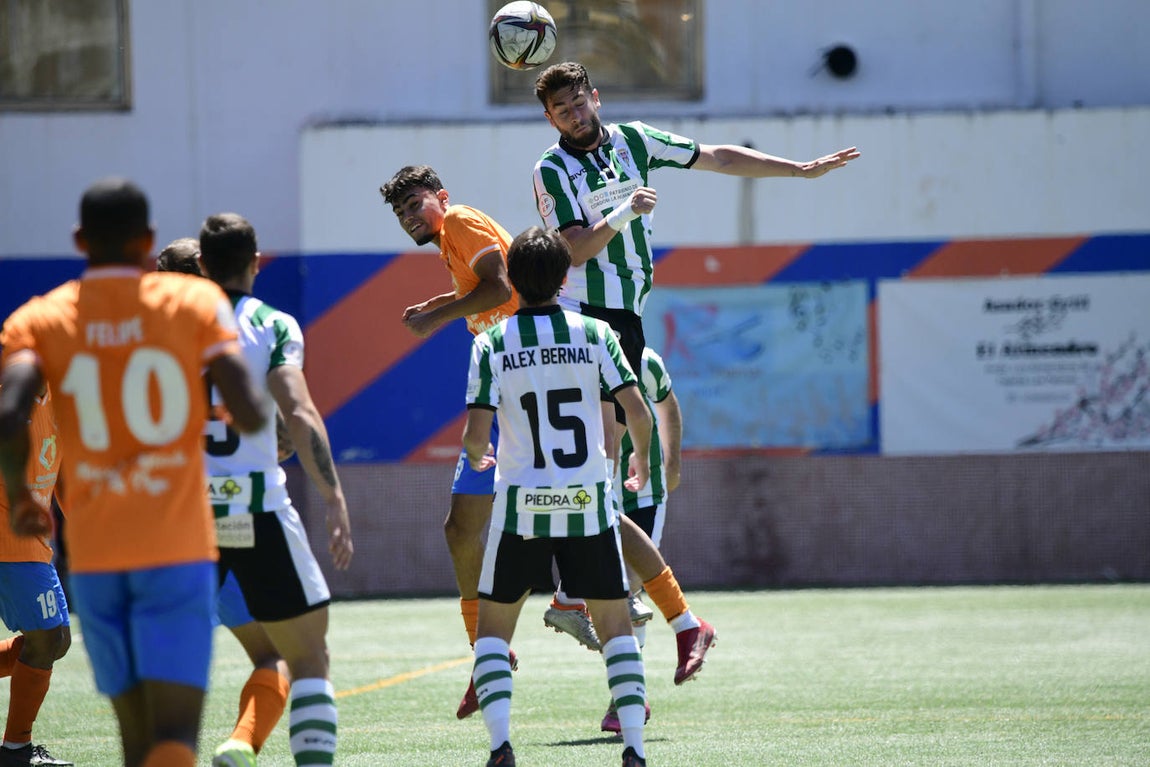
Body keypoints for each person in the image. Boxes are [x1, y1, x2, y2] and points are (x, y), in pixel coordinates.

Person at [531, 59, 859, 674]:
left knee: (595, 460)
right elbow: (572, 247)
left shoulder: (633, 140)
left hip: (623, 317)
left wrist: (797, 169)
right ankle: (602, 593)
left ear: (595, 97)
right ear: (549, 118)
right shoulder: (551, 169)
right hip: (581, 310)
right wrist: (626, 212)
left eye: (579, 102)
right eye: (562, 110)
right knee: (586, 457)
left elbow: (718, 157)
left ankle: (597, 594)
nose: (575, 115)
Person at [0, 177, 268, 767]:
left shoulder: (40, 320)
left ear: (78, 239)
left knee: (134, 735)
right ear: (148, 239)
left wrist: (22, 494)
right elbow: (249, 410)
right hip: (179, 546)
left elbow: (10, 410)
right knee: (174, 732)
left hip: (99, 556)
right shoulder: (195, 304)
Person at [463, 226, 654, 767]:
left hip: (521, 503)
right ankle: (634, 749)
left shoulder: (491, 343)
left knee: (494, 629)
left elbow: (477, 434)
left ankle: (501, 745)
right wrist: (638, 455)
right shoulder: (596, 333)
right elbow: (635, 411)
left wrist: (477, 455)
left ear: (513, 281)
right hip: (587, 500)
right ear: (567, 276)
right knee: (616, 626)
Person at [196, 212, 354, 767]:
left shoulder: (165, 327)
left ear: (200, 265)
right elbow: (300, 412)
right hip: (257, 507)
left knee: (164, 670)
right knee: (309, 659)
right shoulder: (274, 324)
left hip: (183, 516)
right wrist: (334, 499)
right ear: (256, 262)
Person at [379, 165, 520, 720]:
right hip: (497, 388)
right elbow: (481, 287)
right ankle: (489, 658)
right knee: (462, 528)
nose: (409, 217)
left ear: (442, 198)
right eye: (400, 213)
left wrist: (437, 315)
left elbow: (501, 287)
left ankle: (658, 613)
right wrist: (441, 301)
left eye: (416, 204)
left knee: (571, 523)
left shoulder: (459, 220)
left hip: (523, 383)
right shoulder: (449, 240)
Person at [155, 238, 294, 766]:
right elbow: (280, 436)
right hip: (237, 520)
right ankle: (241, 741)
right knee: (272, 653)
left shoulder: (147, 341)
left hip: (169, 521)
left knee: (163, 661)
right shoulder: (238, 337)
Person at [0, 383, 72, 767]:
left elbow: (62, 478)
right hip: (9, 539)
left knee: (57, 641)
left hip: (35, 544)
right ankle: (15, 752)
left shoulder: (65, 400)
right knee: (45, 640)